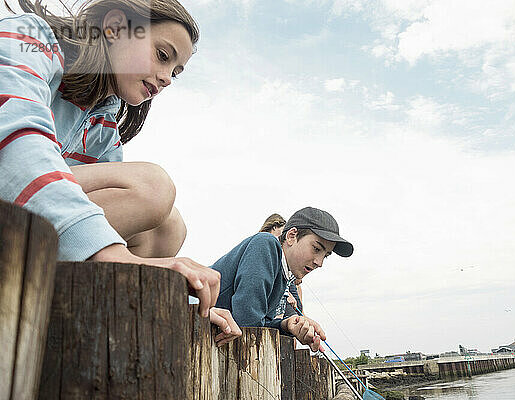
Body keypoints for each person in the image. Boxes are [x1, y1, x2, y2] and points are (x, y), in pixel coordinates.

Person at [0, 0, 238, 345]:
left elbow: (112, 216)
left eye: (177, 71)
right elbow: (14, 142)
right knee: (151, 187)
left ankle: (82, 323)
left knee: (167, 225)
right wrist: (112, 253)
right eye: (162, 55)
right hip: (13, 210)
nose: (169, 78)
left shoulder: (103, 124)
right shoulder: (29, 36)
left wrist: (186, 301)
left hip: (31, 240)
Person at [212, 207, 353, 351]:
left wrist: (286, 325)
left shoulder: (282, 277)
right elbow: (248, 326)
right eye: (316, 249)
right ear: (291, 236)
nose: (319, 262)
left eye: (326, 255)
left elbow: (255, 325)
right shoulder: (267, 243)